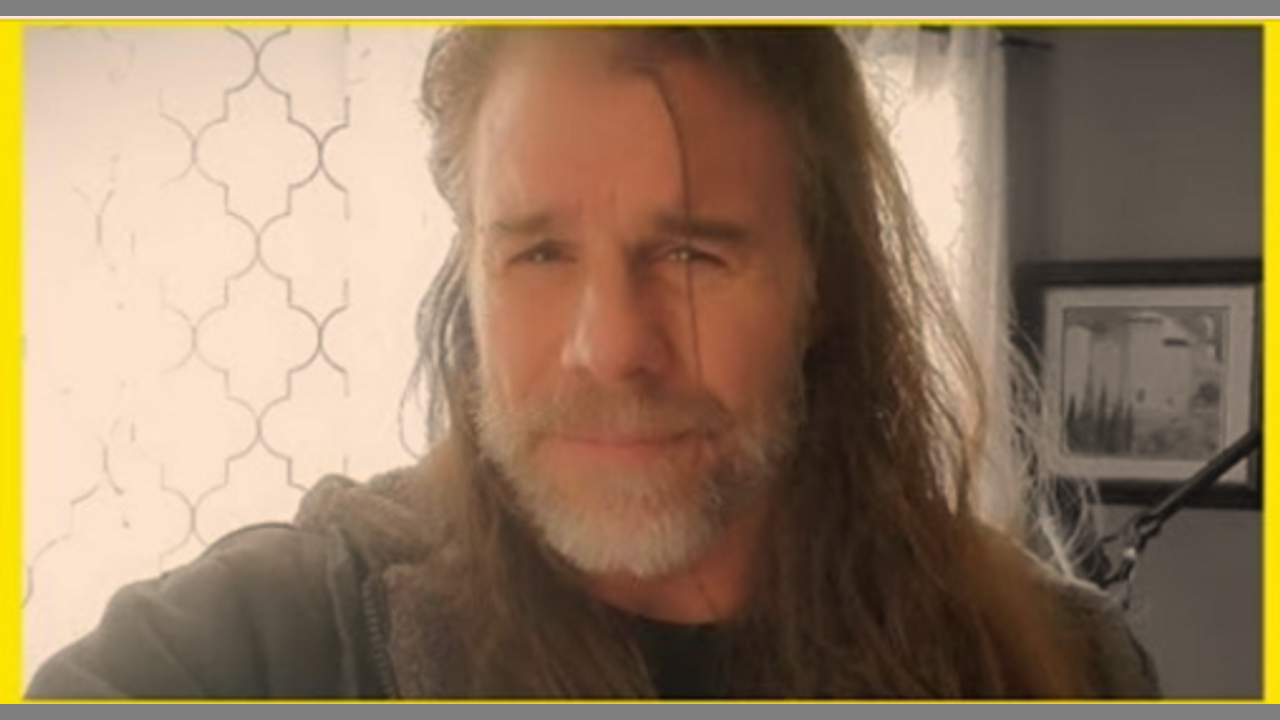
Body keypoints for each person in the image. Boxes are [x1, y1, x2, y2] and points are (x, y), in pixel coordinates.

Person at [27, 26, 1158, 699]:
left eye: (691, 253)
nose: (610, 348)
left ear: (823, 288)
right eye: (538, 253)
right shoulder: (254, 650)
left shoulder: (1060, 668)